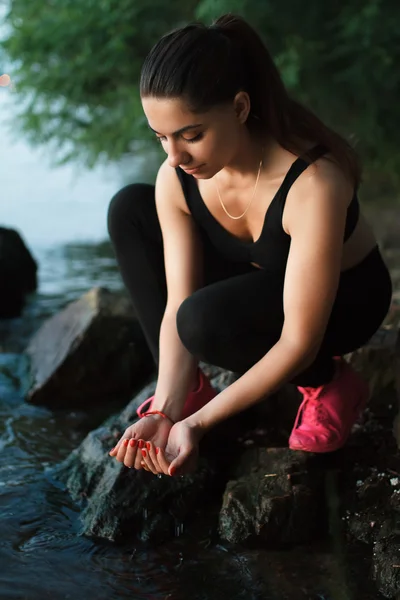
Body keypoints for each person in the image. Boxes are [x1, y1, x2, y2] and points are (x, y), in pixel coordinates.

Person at [107, 14, 392, 477]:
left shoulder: (313, 182)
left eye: (191, 135)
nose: (175, 157)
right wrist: (165, 409)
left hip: (347, 299)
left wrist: (196, 427)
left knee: (203, 321)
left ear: (240, 108)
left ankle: (330, 383)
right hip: (258, 283)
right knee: (129, 209)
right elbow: (175, 300)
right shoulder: (176, 177)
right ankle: (187, 387)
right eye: (161, 137)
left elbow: (299, 339)